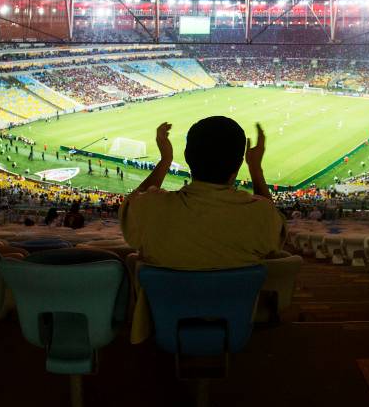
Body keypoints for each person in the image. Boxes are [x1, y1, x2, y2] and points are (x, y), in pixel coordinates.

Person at [121, 116, 285, 343]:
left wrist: (165, 160)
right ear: (238, 165)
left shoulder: (150, 208)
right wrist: (255, 169)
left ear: (187, 158)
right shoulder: (261, 214)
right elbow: (273, 227)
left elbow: (132, 204)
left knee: (132, 259)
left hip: (166, 324)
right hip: (235, 326)